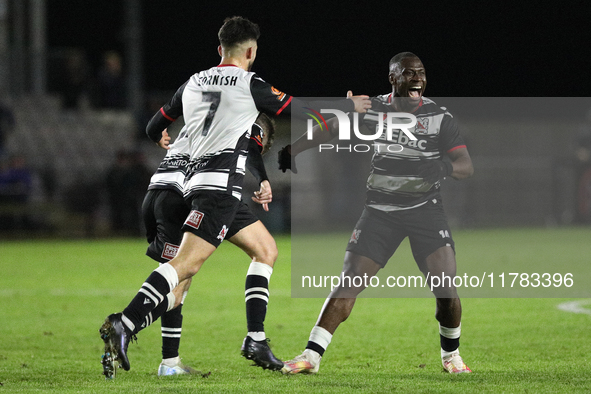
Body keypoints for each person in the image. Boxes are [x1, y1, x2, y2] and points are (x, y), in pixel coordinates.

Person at [99, 15, 371, 378]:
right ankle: (126, 323)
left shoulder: (194, 81)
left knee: (264, 249)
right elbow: (299, 110)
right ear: (251, 51)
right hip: (215, 185)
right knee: (186, 266)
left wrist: (162, 137)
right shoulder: (249, 83)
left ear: (219, 49)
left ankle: (216, 349)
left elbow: (154, 126)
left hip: (177, 181)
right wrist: (347, 107)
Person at [279, 52, 474, 374]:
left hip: (425, 211)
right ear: (392, 78)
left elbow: (466, 167)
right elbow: (329, 128)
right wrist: (292, 149)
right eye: (408, 73)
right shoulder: (372, 109)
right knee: (348, 282)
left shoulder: (440, 117)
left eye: (421, 73)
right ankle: (310, 356)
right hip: (380, 212)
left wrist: (441, 166)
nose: (417, 78)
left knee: (445, 289)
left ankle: (451, 356)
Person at [139, 114, 276, 377]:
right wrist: (262, 178)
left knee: (177, 283)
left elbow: (158, 121)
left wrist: (156, 131)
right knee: (264, 251)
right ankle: (126, 323)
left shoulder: (201, 111)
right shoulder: (247, 115)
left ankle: (168, 362)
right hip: (210, 193)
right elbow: (252, 140)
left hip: (162, 191)